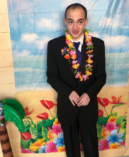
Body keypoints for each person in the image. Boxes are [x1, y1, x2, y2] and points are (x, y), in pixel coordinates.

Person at [46, 3, 106, 157]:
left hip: (88, 106)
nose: (75, 27)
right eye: (71, 21)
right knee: (72, 151)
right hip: (68, 106)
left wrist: (89, 94)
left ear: (86, 21)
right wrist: (69, 93)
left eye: (79, 21)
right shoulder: (54, 46)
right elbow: (52, 76)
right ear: (65, 21)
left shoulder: (98, 45)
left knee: (91, 148)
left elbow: (101, 77)